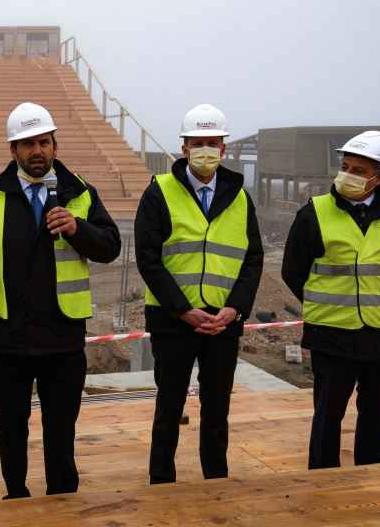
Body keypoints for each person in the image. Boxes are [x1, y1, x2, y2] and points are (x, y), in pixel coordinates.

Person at [0, 102, 121, 499]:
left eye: (43, 142)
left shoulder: (79, 192)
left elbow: (109, 245)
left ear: (55, 145)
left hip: (62, 337)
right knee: (11, 428)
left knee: (61, 428)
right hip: (7, 337)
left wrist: (78, 228)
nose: (37, 152)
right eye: (27, 144)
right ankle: (16, 497)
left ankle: (62, 499)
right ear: (12, 150)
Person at [134, 103, 263, 484]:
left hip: (223, 322)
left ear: (223, 149)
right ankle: (162, 479)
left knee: (217, 408)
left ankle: (216, 478)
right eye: (198, 143)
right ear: (184, 146)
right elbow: (149, 259)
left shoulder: (240, 197)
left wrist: (235, 309)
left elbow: (252, 259)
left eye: (213, 143)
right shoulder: (159, 192)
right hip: (174, 320)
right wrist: (183, 310)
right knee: (169, 405)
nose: (206, 150)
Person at [281, 130, 380, 469]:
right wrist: (329, 302)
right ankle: (322, 482)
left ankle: (370, 481)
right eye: (345, 166)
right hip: (332, 336)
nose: (347, 175)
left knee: (375, 420)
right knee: (327, 418)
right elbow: (293, 271)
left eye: (358, 170)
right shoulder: (313, 213)